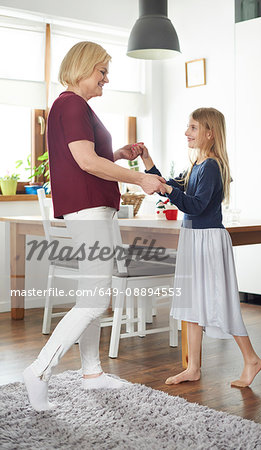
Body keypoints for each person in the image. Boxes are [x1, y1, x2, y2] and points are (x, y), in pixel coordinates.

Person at [23, 41, 166, 411]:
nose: (106, 79)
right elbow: (86, 162)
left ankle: (92, 372)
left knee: (94, 295)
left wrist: (117, 155)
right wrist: (140, 180)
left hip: (93, 208)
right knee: (95, 298)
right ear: (83, 68)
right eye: (102, 71)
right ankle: (39, 371)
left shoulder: (73, 107)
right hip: (88, 210)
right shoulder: (72, 105)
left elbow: (86, 157)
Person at [140, 107, 261, 388]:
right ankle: (192, 367)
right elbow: (170, 185)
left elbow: (194, 205)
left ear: (210, 133)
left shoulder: (211, 166)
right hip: (193, 238)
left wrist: (171, 192)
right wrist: (147, 161)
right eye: (188, 127)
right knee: (191, 303)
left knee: (221, 302)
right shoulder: (197, 164)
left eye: (193, 128)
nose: (187, 132)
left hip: (208, 240)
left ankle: (251, 359)